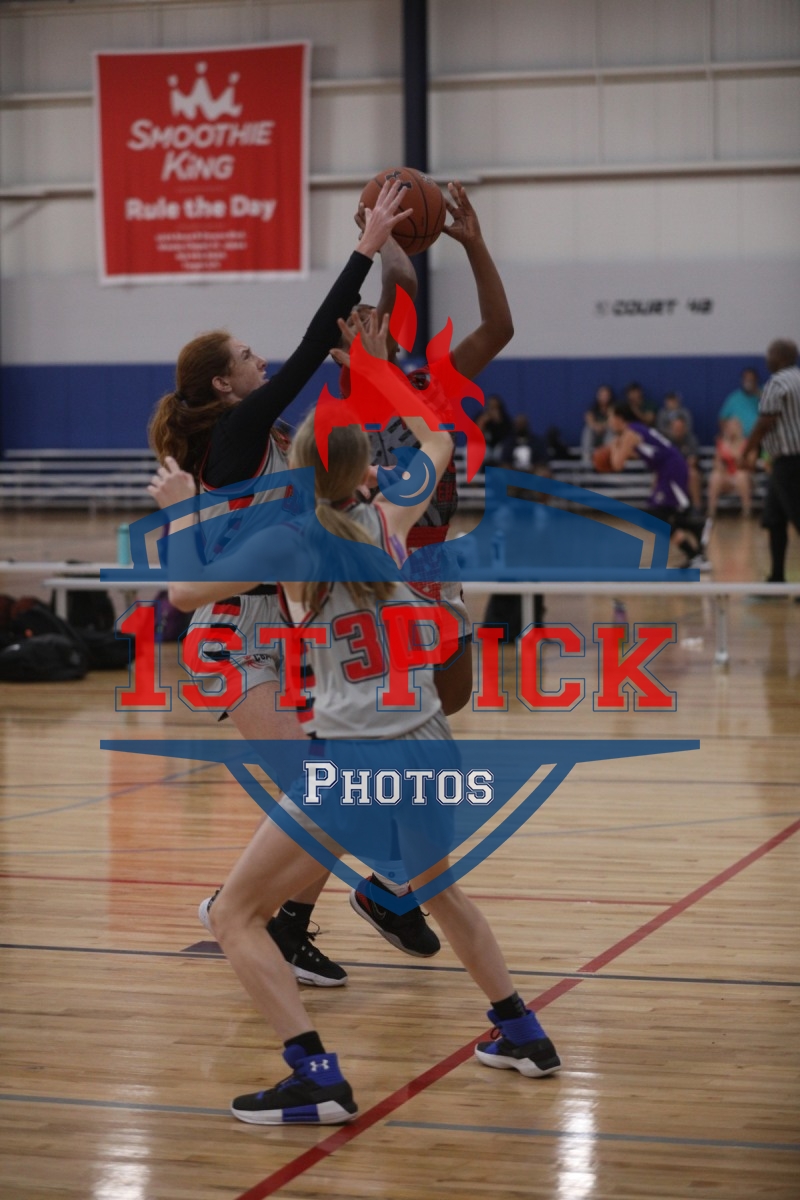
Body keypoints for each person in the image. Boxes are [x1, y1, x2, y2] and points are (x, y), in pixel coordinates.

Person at [154, 310, 561, 1125]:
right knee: (443, 895)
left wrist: (183, 510)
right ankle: (523, 1033)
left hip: (357, 762)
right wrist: (377, 370)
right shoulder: (389, 522)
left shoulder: (292, 543)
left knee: (231, 915)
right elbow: (438, 439)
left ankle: (316, 1077)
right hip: (429, 747)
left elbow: (186, 592)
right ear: (362, 473)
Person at [148, 177, 431, 986]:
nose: (258, 359)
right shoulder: (234, 435)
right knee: (323, 792)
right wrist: (366, 249)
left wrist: (368, 367)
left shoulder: (267, 436)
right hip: (230, 639)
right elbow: (309, 347)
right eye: (245, 357)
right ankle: (239, 909)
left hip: (286, 633)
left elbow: (337, 452)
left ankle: (290, 924)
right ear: (222, 385)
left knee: (331, 794)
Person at [608, 401, 708, 569]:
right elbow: (645, 453)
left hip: (672, 470)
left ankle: (695, 553)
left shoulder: (629, 433)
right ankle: (697, 528)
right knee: (660, 515)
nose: (609, 421)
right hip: (667, 469)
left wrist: (613, 447)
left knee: (656, 517)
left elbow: (617, 464)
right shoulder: (637, 429)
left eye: (610, 417)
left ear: (619, 418)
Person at [740, 339, 800, 585]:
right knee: (774, 519)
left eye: (770, 355)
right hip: (783, 462)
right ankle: (776, 577)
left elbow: (765, 423)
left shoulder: (776, 383)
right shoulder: (798, 378)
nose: (767, 360)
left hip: (790, 461)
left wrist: (746, 452)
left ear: (781, 357)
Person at [706, 417, 752, 520]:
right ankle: (711, 510)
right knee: (715, 476)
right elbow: (716, 461)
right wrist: (719, 466)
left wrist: (734, 453)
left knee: (741, 476)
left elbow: (749, 463)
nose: (731, 430)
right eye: (729, 427)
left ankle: (747, 510)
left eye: (733, 427)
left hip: (743, 476)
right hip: (726, 476)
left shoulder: (746, 443)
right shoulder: (722, 443)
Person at [667, 414, 703, 512]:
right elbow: (664, 461)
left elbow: (692, 461)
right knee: (659, 475)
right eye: (675, 428)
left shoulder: (691, 440)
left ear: (685, 428)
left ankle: (697, 508)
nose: (677, 430)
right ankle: (657, 506)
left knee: (692, 474)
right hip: (672, 471)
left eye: (680, 428)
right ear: (671, 428)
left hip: (687, 471)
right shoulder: (667, 441)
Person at [719, 367, 761, 438]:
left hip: (760, 438)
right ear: (742, 380)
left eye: (751, 380)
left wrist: (757, 393)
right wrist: (728, 435)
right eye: (746, 380)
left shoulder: (764, 395)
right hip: (739, 440)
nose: (748, 383)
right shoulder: (734, 398)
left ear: (756, 381)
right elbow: (722, 419)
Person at [581, 384, 614, 463]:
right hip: (595, 435)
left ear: (610, 396)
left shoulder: (613, 408)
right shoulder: (593, 408)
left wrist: (602, 426)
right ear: (598, 396)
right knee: (588, 429)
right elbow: (589, 419)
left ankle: (606, 459)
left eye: (606, 395)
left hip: (607, 435)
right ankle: (586, 460)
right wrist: (596, 427)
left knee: (611, 429)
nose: (604, 397)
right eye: (602, 395)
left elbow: (612, 421)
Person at [477, 394, 512, 462]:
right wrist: (483, 422)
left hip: (499, 446)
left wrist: (498, 422)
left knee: (499, 451)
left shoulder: (504, 419)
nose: (493, 410)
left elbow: (507, 437)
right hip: (484, 446)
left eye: (495, 407)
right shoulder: (481, 416)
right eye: (491, 407)